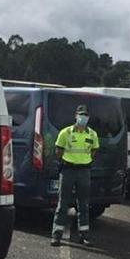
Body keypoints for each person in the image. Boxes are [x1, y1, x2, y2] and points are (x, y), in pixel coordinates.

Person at [50, 104, 99, 247]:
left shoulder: (92, 134)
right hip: (68, 170)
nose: (83, 118)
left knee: (83, 204)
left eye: (85, 115)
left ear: (88, 118)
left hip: (84, 171)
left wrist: (84, 161)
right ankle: (56, 235)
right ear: (75, 116)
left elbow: (94, 151)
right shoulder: (66, 132)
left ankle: (84, 235)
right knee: (63, 203)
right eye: (81, 115)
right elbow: (58, 150)